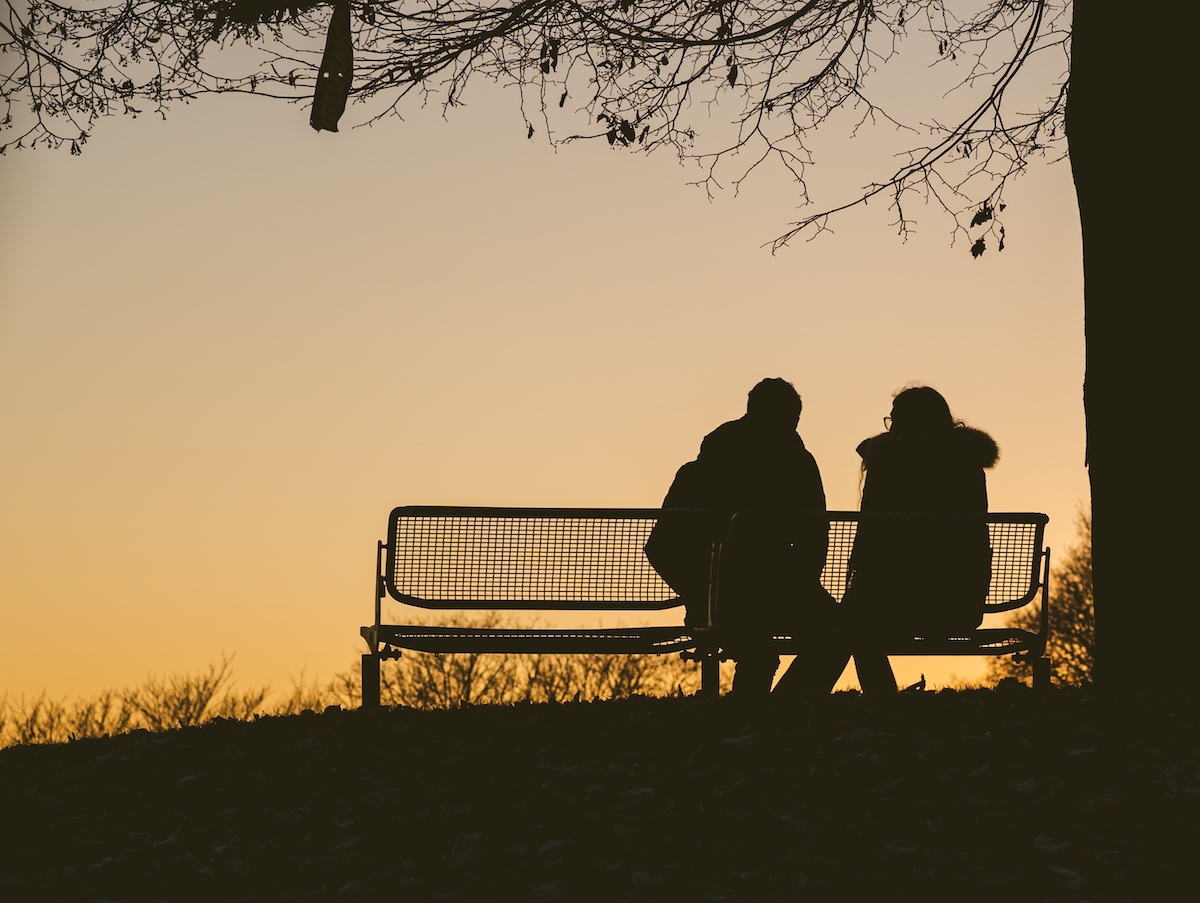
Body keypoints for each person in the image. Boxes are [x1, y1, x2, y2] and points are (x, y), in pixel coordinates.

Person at [645, 379, 848, 698]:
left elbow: (660, 548)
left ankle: (755, 720)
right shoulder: (798, 467)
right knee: (839, 634)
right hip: (778, 594)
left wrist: (701, 596)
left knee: (760, 654)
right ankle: (782, 712)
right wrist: (800, 584)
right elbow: (815, 538)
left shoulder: (699, 471)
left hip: (721, 602)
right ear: (791, 419)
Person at [845, 385, 1000, 695]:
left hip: (894, 604)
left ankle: (796, 702)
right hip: (959, 604)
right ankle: (879, 702)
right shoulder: (968, 463)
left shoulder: (888, 463)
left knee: (849, 622)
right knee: (852, 621)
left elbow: (871, 535)